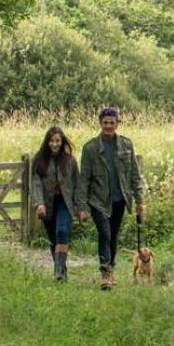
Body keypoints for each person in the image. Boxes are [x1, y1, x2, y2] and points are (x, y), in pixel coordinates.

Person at [77, 106, 145, 290]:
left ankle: (111, 269)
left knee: (113, 235)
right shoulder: (90, 148)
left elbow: (135, 176)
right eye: (105, 123)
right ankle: (105, 273)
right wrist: (82, 206)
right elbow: (84, 179)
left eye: (112, 123)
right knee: (105, 233)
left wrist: (139, 201)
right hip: (98, 200)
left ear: (117, 124)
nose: (108, 126)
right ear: (100, 123)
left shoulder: (126, 145)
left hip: (120, 199)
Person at [32, 125, 85, 280]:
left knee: (62, 231)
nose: (54, 144)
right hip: (47, 203)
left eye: (57, 141)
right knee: (54, 239)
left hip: (65, 203)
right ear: (47, 142)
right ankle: (62, 270)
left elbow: (77, 184)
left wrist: (80, 207)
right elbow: (36, 183)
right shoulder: (39, 160)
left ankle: (58, 272)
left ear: (62, 142)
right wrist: (39, 203)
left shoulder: (70, 160)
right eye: (51, 141)